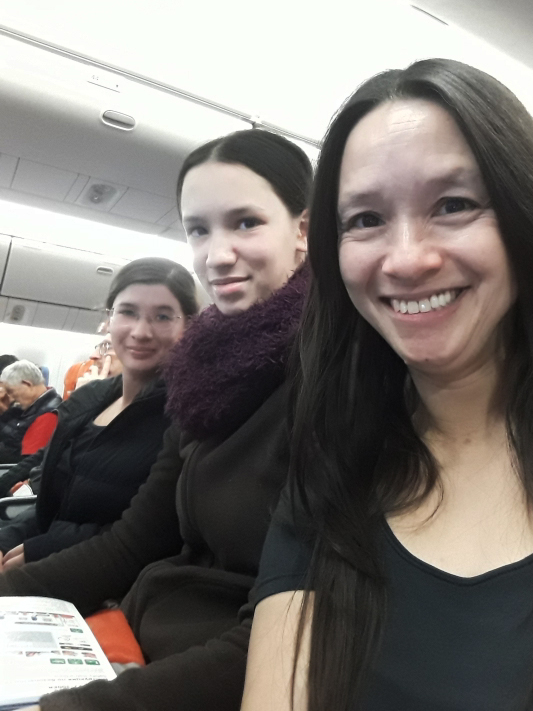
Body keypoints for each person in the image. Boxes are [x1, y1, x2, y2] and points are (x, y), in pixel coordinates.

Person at [242, 59, 533, 711]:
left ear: (528, 219)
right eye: (365, 219)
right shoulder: (331, 465)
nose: (406, 259)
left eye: (454, 205)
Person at [0, 128, 311, 711]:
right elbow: (135, 541)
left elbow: (289, 636)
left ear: (303, 230)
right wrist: (7, 588)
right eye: (198, 229)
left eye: (246, 222)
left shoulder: (327, 379)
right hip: (135, 633)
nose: (217, 255)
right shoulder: (206, 380)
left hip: (209, 673)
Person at [0, 256, 197, 567]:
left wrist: (41, 549)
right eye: (128, 312)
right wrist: (6, 540)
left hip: (102, 572)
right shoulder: (88, 400)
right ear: (109, 320)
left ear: (188, 326)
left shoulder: (186, 417)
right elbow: (49, 506)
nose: (140, 331)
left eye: (162, 316)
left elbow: (153, 536)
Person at [0, 361, 62, 462]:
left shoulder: (48, 415)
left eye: (11, 391)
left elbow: (30, 462)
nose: (10, 397)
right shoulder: (30, 405)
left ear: (27, 384)